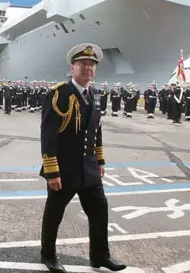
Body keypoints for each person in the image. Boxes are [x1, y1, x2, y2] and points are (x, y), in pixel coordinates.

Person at [39, 43, 127, 272]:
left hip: (88, 169)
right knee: (54, 215)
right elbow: (48, 136)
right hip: (64, 170)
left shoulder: (95, 94)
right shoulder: (58, 94)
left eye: (92, 65)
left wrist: (99, 161)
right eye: (83, 64)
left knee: (100, 212)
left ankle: (100, 256)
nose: (88, 68)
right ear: (73, 67)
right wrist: (52, 172)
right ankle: (48, 256)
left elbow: (96, 130)